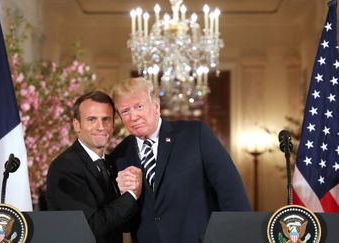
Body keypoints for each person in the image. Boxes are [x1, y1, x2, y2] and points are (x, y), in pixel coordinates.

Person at [110, 77, 251, 243]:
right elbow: (125, 226)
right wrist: (126, 197)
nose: (133, 116)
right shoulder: (119, 156)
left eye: (139, 106)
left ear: (156, 106)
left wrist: (240, 236)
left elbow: (232, 193)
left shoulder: (195, 135)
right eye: (125, 111)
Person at [46, 91, 143, 243]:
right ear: (77, 125)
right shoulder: (64, 167)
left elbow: (119, 222)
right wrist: (131, 195)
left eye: (106, 120)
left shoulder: (110, 163)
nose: (101, 127)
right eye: (92, 120)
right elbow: (89, 227)